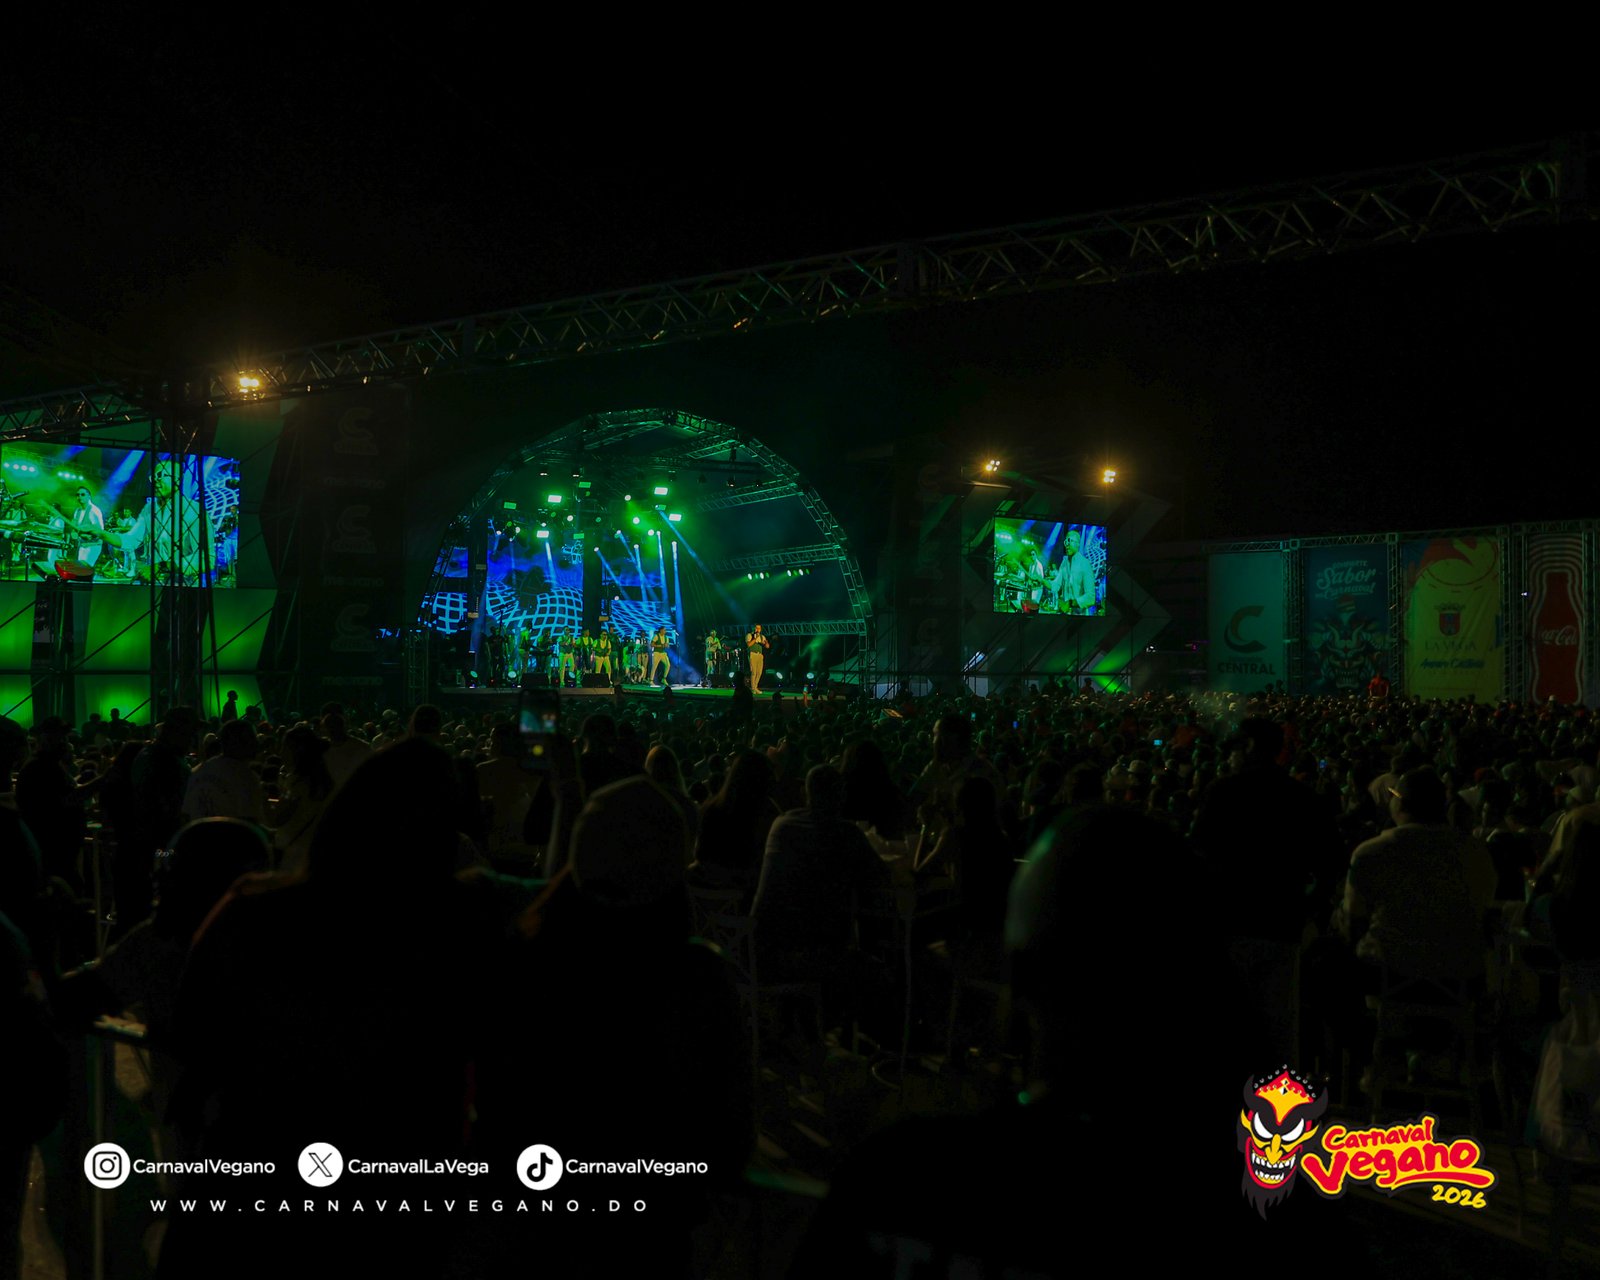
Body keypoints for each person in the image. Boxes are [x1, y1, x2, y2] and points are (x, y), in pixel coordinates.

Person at [91, 457, 213, 585]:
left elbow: (207, 558)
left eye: (160, 476)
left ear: (177, 479)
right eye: (153, 478)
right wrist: (101, 533)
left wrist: (162, 566)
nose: (155, 481)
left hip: (185, 586)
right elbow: (130, 540)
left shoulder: (194, 510)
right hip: (155, 584)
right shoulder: (149, 509)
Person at [1051, 526, 1095, 614]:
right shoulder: (1064, 562)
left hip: (1079, 616)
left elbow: (1091, 598)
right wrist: (1041, 580)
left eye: (1069, 541)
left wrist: (1070, 603)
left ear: (1078, 544)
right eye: (1065, 541)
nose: (1067, 545)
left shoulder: (1085, 563)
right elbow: (1056, 585)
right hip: (1065, 613)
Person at [746, 623, 771, 694]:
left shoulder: (762, 637)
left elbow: (767, 646)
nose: (758, 629)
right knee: (754, 672)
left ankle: (755, 687)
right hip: (752, 654)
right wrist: (755, 638)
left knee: (759, 672)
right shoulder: (749, 635)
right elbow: (749, 644)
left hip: (760, 655)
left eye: (759, 628)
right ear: (753, 628)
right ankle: (753, 688)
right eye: (756, 628)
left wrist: (766, 643)